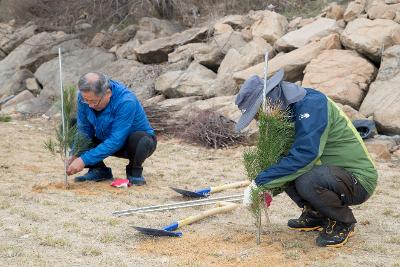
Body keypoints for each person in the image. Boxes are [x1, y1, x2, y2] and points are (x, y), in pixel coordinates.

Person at [237, 69, 377, 247]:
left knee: (306, 178)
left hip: (358, 180)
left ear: (270, 100)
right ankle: (317, 214)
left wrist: (260, 182)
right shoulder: (285, 112)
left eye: (257, 113)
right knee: (286, 169)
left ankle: (343, 222)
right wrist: (269, 190)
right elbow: (285, 159)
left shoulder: (312, 104)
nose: (259, 119)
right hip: (329, 174)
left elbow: (305, 156)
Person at [66, 72, 156, 186]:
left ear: (108, 93)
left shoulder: (126, 101)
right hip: (105, 138)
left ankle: (134, 172)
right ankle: (99, 170)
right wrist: (76, 153)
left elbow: (116, 140)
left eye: (94, 101)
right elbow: (84, 129)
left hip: (132, 144)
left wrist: (84, 160)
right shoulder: (85, 96)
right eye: (86, 100)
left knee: (140, 139)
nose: (89, 106)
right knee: (72, 126)